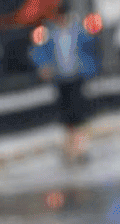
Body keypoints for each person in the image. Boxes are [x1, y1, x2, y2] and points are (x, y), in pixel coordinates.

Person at [33, 9, 101, 163]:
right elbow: (38, 51)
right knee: (67, 117)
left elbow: (91, 49)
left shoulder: (79, 31)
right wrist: (43, 66)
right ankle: (71, 149)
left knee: (80, 116)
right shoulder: (49, 33)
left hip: (77, 78)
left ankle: (80, 149)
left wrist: (90, 70)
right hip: (60, 80)